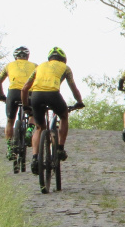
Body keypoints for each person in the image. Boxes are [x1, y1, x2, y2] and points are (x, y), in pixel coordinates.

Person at [21, 47, 84, 178]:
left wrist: (26, 106)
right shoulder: (65, 68)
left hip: (36, 96)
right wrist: (79, 102)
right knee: (64, 115)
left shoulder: (39, 67)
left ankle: (34, 158)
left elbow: (25, 88)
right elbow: (73, 87)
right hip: (53, 95)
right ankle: (60, 148)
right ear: (63, 59)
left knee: (39, 128)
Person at [0, 46, 37, 160]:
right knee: (32, 114)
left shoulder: (8, 66)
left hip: (13, 93)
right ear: (27, 57)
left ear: (15, 57)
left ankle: (9, 149)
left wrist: (1, 95)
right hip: (29, 92)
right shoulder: (34, 66)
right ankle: (29, 130)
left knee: (10, 121)